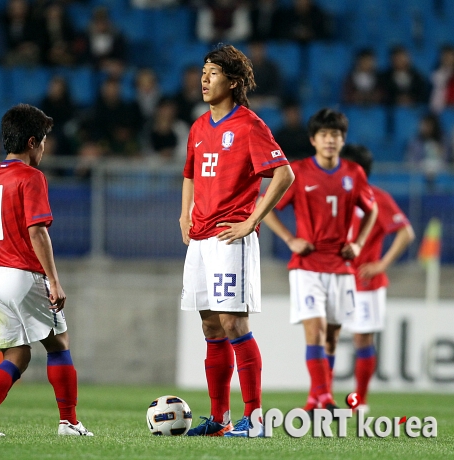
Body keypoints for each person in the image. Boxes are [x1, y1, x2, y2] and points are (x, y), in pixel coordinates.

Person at [180, 44, 294, 437]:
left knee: (233, 321)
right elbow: (191, 172)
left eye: (212, 72)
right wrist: (184, 212)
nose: (204, 79)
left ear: (233, 81)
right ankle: (219, 419)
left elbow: (284, 175)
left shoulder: (249, 125)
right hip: (200, 238)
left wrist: (252, 220)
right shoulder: (197, 126)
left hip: (231, 237)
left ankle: (256, 419)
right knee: (210, 325)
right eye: (203, 71)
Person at [0, 104, 93, 437]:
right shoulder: (31, 177)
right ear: (33, 141)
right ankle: (69, 422)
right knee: (58, 343)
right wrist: (53, 280)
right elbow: (37, 231)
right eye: (45, 141)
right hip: (21, 273)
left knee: (17, 354)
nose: (45, 149)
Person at [262, 108, 378, 416]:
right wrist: (290, 239)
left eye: (336, 135)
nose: (331, 140)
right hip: (307, 264)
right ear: (314, 139)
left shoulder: (354, 174)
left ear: (343, 140)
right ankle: (324, 396)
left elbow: (372, 211)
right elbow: (267, 206)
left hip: (341, 267)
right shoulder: (298, 171)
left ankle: (315, 397)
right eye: (325, 135)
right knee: (315, 328)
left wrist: (358, 243)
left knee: (331, 337)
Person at [339, 144, 415, 413]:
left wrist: (381, 264)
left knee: (362, 340)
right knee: (324, 337)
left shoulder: (377, 198)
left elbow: (406, 232)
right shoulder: (335, 196)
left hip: (365, 283)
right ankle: (320, 397)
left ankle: (360, 401)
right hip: (336, 277)